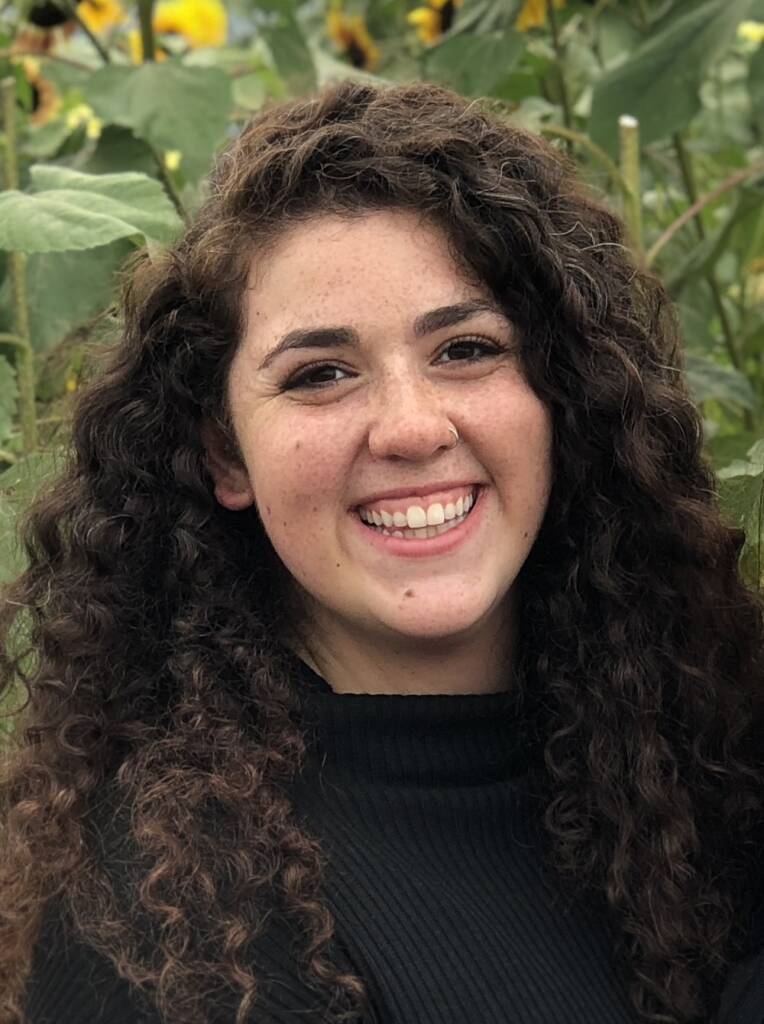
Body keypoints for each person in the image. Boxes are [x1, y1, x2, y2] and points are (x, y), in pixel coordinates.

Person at [0, 78, 761, 1024]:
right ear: (224, 451)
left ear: (564, 393)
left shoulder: (704, 767)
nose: (409, 427)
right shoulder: (169, 933)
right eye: (321, 374)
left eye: (466, 349)